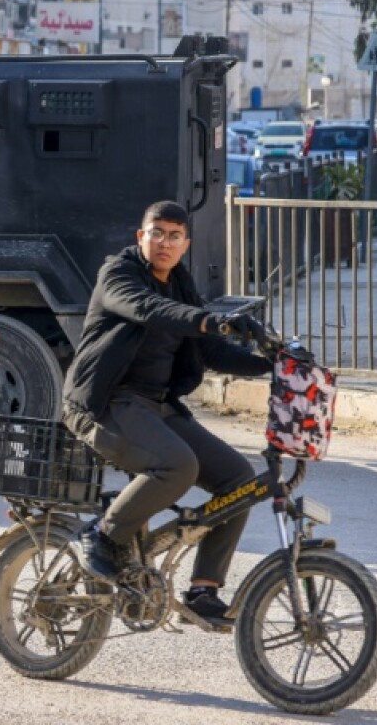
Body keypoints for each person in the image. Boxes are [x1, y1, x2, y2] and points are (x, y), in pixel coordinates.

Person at [61, 200, 271, 626]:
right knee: (178, 466)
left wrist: (275, 363)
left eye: (174, 236)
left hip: (155, 406)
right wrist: (210, 320)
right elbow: (147, 308)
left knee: (240, 479)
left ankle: (203, 590)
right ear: (141, 237)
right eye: (156, 233)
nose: (164, 242)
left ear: (185, 244)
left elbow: (210, 350)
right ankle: (101, 533)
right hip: (106, 403)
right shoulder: (118, 275)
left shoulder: (181, 284)